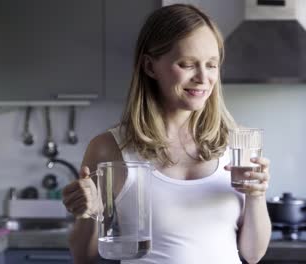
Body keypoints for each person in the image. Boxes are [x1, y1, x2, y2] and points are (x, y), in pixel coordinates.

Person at [62, 4, 271, 264]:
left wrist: (256, 195)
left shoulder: (237, 143)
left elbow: (253, 254)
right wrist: (88, 215)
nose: (203, 77)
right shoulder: (110, 148)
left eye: (212, 65)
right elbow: (84, 257)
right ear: (150, 67)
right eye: (187, 64)